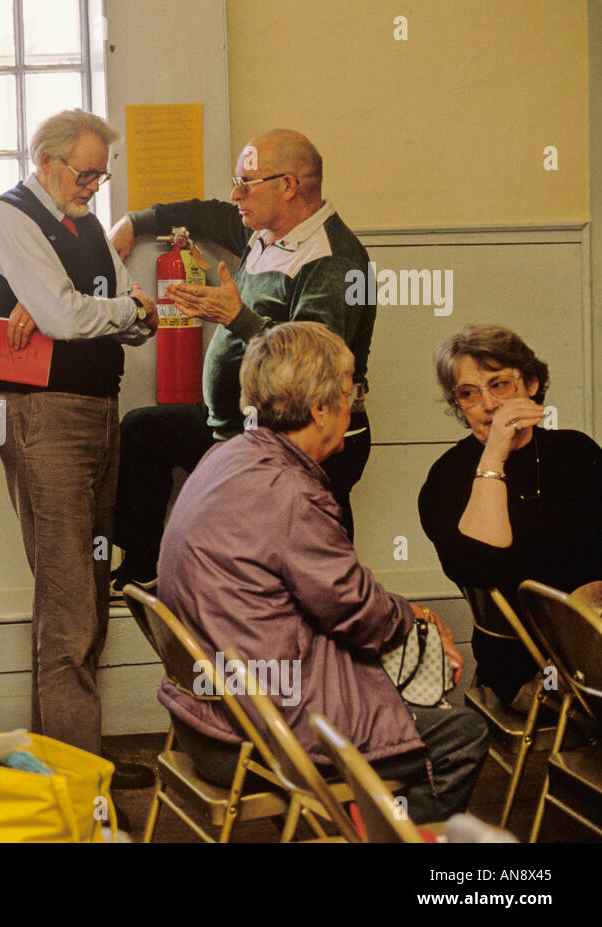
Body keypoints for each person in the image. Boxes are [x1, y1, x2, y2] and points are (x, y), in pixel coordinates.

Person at [156, 322, 487, 824]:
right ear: (319, 409)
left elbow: (334, 593)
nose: (354, 404)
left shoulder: (227, 457)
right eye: (350, 391)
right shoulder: (290, 491)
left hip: (204, 717)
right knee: (462, 734)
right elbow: (354, 608)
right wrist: (416, 620)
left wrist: (404, 614)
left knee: (390, 674)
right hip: (256, 735)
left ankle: (335, 825)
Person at [108, 129, 376, 590]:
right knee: (142, 431)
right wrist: (135, 221)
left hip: (304, 439)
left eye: (246, 184)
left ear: (288, 187)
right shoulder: (264, 230)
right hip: (237, 425)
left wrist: (236, 317)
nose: (236, 195)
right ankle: (143, 570)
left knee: (300, 569)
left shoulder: (334, 260)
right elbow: (207, 213)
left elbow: (311, 368)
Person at [0, 108, 154, 763]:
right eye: (85, 174)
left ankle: (64, 759)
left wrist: (94, 308)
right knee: (70, 600)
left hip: (99, 410)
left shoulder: (85, 226)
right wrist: (107, 309)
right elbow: (74, 312)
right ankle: (80, 782)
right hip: (43, 418)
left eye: (102, 176)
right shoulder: (8, 216)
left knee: (87, 593)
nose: (94, 187)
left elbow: (135, 316)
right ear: (45, 162)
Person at [419, 324, 602, 710]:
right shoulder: (448, 478)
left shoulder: (577, 451)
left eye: (500, 384)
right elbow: (480, 567)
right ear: (458, 406)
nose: (488, 404)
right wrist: (494, 457)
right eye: (468, 394)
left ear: (531, 384)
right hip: (531, 669)